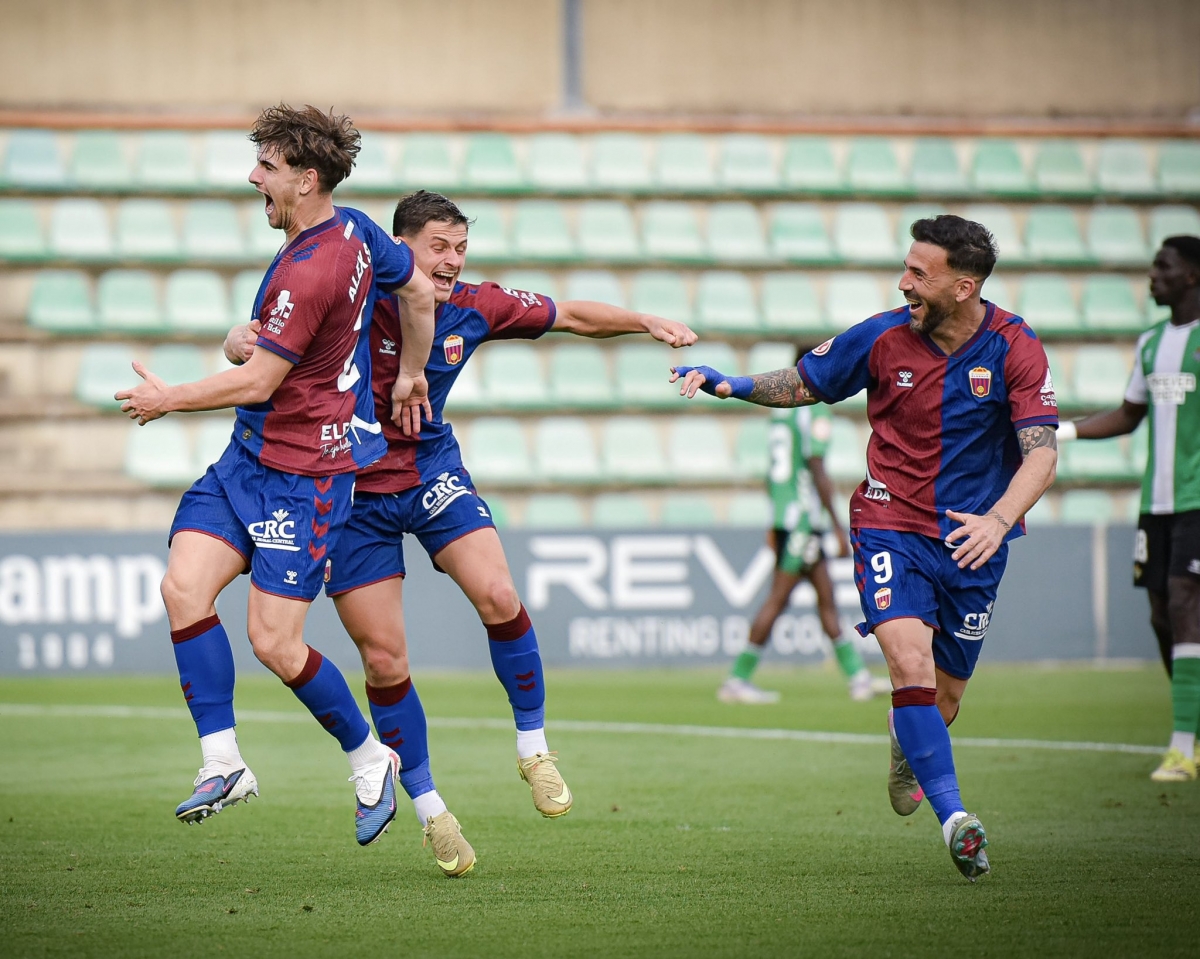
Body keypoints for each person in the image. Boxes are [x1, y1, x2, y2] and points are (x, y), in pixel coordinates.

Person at [224, 189, 697, 876]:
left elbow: (571, 315)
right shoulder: (350, 298)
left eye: (460, 249)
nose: (451, 262)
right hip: (348, 489)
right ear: (401, 249)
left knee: (499, 594)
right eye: (438, 248)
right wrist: (239, 339)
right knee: (385, 661)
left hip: (429, 472)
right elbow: (258, 338)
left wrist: (643, 319)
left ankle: (533, 747)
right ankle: (431, 810)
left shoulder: (475, 305)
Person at [670, 215, 1059, 881]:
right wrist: (729, 383)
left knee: (945, 695)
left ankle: (907, 740)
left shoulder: (1015, 346)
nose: (903, 282)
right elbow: (801, 383)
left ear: (964, 286)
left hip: (973, 543)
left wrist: (998, 519)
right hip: (889, 523)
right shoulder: (880, 337)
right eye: (905, 267)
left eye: (919, 273)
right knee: (907, 662)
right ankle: (956, 819)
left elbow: (1041, 452)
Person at [116, 105, 437, 847]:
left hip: (306, 476)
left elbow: (260, 379)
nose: (254, 176)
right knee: (182, 588)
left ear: (306, 177)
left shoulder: (315, 261)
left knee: (275, 643)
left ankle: (369, 758)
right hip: (248, 460)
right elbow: (417, 289)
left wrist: (170, 395)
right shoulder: (352, 229)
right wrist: (408, 372)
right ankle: (223, 761)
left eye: (266, 166)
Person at [1057, 235, 1200, 782]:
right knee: (1162, 616)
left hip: (1195, 502)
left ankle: (1182, 748)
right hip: (1156, 504)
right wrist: (1060, 431)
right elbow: (1126, 415)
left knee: (1186, 604)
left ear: (1191, 275)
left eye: (1163, 266)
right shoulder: (1150, 344)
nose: (1151, 274)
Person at [719, 357, 887, 704]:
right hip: (802, 521)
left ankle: (857, 677)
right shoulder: (814, 409)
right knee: (779, 599)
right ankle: (737, 680)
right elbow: (815, 466)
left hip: (789, 517)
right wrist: (838, 526)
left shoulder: (781, 412)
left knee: (826, 598)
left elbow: (776, 471)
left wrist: (774, 518)